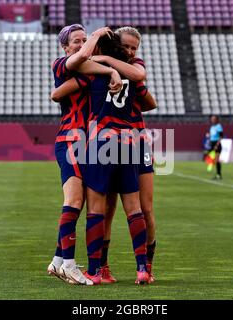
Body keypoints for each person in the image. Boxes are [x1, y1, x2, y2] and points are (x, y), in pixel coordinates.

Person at [52, 33, 153, 285]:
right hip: (129, 143)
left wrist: (104, 68)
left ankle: (96, 271)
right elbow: (150, 100)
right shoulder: (132, 72)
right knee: (135, 209)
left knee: (95, 211)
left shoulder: (91, 74)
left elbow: (57, 94)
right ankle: (142, 269)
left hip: (100, 143)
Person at [47, 24, 124, 286]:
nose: (81, 45)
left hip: (84, 142)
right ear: (65, 48)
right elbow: (80, 61)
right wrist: (96, 37)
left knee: (76, 203)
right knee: (74, 200)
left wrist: (111, 70)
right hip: (70, 139)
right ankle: (69, 265)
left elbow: (83, 69)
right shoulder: (61, 64)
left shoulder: (87, 74)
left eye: (84, 39)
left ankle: (59, 260)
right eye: (76, 41)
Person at [91, 27, 157, 284]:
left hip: (138, 143)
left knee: (146, 208)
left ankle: (147, 266)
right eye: (127, 47)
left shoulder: (133, 67)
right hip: (116, 142)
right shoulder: (110, 71)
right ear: (117, 45)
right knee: (108, 208)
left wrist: (109, 63)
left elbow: (148, 97)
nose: (131, 52)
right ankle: (104, 267)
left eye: (134, 48)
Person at [209, 115, 223, 179]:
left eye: (214, 119)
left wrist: (217, 145)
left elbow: (221, 136)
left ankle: (218, 175)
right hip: (212, 144)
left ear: (217, 120)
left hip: (216, 144)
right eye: (212, 119)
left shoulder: (218, 127)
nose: (212, 120)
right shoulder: (212, 127)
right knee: (214, 160)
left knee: (217, 160)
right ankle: (218, 174)